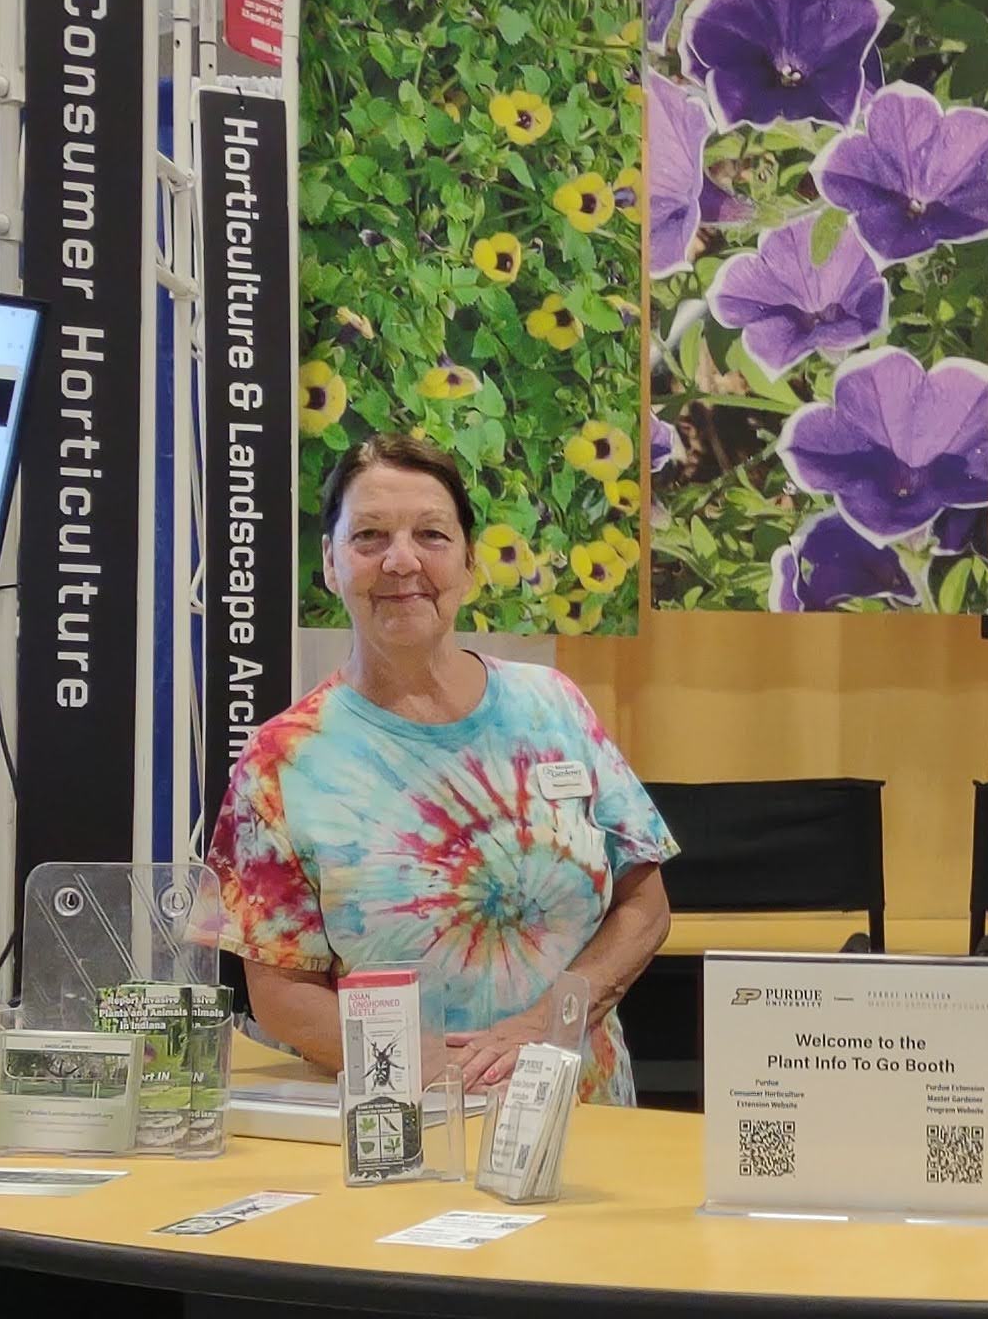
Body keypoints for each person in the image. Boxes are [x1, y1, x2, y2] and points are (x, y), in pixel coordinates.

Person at [208, 431, 676, 1098]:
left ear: (469, 561)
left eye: (431, 535)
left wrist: (548, 1022)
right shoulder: (281, 761)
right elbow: (280, 992)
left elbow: (646, 908)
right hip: (400, 1125)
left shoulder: (555, 707)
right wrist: (434, 1070)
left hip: (588, 1116)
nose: (402, 561)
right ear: (330, 564)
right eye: (369, 536)